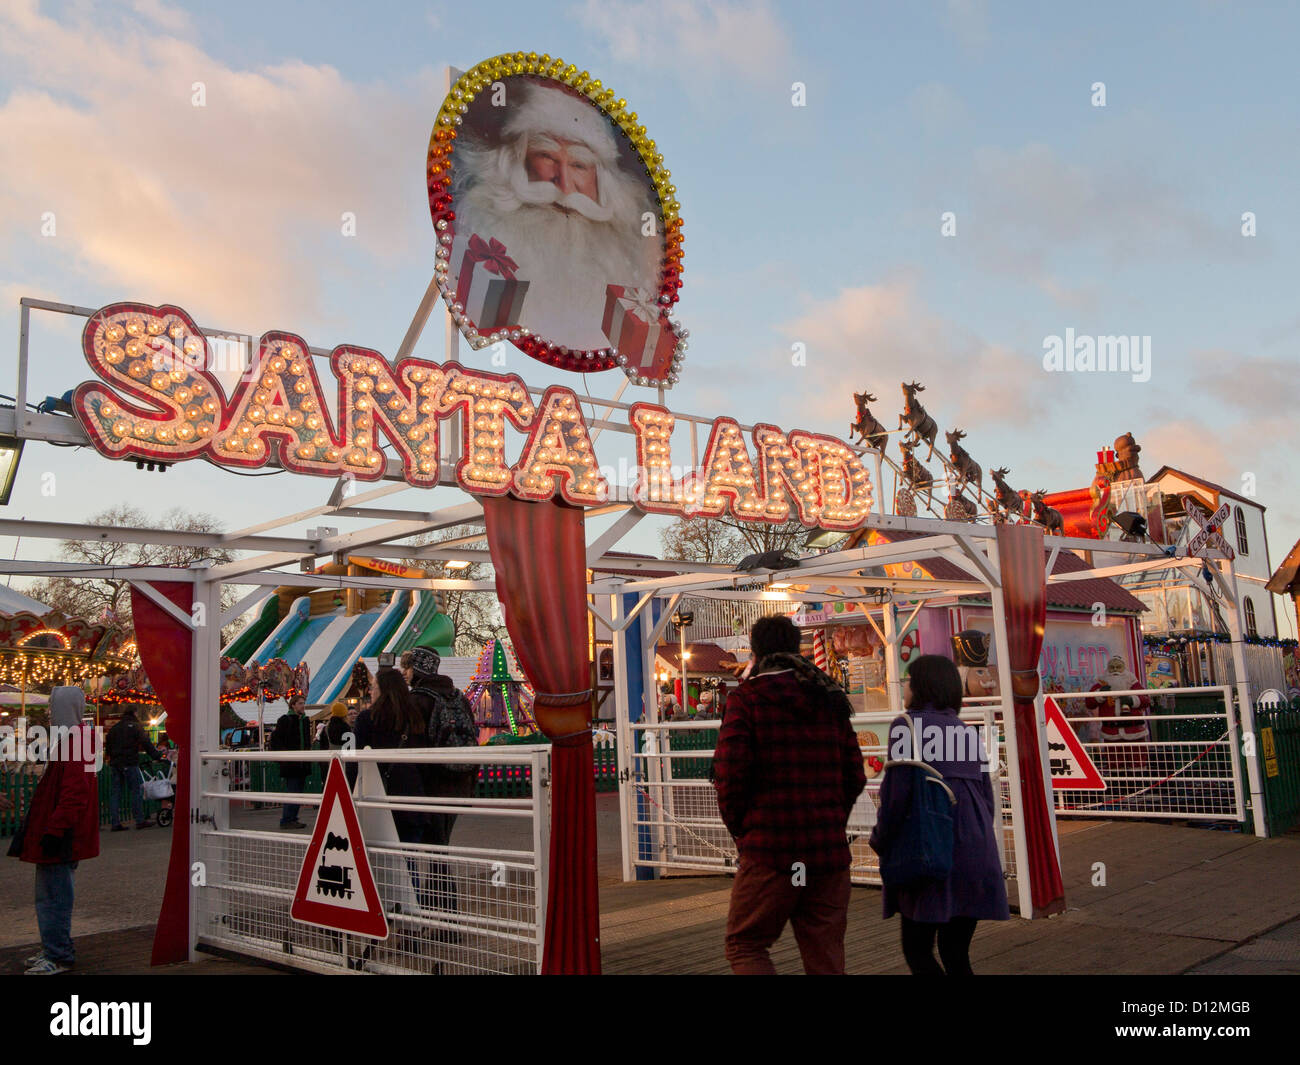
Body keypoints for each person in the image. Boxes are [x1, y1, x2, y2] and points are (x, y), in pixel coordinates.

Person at [451, 80, 662, 350]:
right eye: (547, 156)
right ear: (515, 162)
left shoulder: (627, 259)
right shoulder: (479, 231)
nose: (564, 184)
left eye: (578, 165)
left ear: (602, 180)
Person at [713, 616, 866, 975]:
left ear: (756, 649)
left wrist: (743, 832)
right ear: (797, 646)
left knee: (746, 944)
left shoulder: (747, 700)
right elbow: (854, 774)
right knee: (824, 952)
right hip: (826, 853)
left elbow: (730, 777)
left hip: (772, 852)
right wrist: (831, 817)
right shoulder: (828, 697)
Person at [869, 654, 1009, 976]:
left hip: (929, 854)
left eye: (908, 681)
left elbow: (895, 797)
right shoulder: (968, 733)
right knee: (956, 953)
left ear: (921, 687)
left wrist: (880, 839)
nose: (904, 687)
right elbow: (986, 801)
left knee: (917, 951)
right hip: (975, 852)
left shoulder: (906, 728)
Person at [8, 686, 100, 974]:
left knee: (53, 896)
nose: (50, 712)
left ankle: (58, 953)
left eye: (53, 706)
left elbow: (75, 793)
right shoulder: (77, 740)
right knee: (52, 893)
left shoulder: (73, 742)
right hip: (64, 830)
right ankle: (54, 948)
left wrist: (55, 829)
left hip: (62, 833)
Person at [353, 668, 434, 846]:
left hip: (379, 797)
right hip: (412, 797)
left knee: (379, 861)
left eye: (373, 687)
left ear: (383, 689)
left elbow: (354, 761)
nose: (370, 691)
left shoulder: (367, 719)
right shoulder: (414, 718)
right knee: (408, 858)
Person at [104, 706, 161, 831]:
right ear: (135, 713)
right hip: (130, 762)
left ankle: (115, 822)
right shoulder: (135, 726)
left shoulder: (114, 729)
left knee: (115, 793)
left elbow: (108, 746)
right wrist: (156, 755)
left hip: (115, 764)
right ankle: (139, 820)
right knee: (136, 790)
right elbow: (145, 742)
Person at [268, 695, 313, 830]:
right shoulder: (285, 720)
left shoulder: (305, 721)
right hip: (292, 762)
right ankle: (287, 818)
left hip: (302, 762)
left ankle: (292, 817)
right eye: (300, 703)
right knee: (293, 790)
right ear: (293, 705)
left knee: (298, 791)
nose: (302, 706)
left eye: (303, 703)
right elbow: (276, 739)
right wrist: (284, 756)